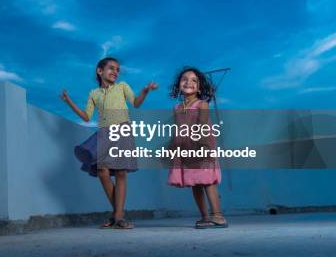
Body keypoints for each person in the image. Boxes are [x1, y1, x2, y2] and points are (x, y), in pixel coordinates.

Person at [61, 57, 157, 229]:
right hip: (105, 134)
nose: (115, 72)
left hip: (123, 130)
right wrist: (69, 102)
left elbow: (135, 103)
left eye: (117, 69)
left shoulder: (122, 87)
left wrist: (145, 90)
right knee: (103, 171)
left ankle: (117, 216)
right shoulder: (94, 94)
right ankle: (118, 215)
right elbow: (87, 116)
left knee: (121, 173)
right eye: (111, 68)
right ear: (100, 71)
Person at [168, 66, 228, 228]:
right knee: (194, 182)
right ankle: (205, 216)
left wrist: (201, 146)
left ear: (199, 87)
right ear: (178, 84)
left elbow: (202, 126)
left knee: (207, 180)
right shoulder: (177, 108)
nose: (189, 82)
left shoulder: (202, 105)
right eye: (184, 79)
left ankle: (218, 216)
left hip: (201, 145)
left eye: (194, 80)